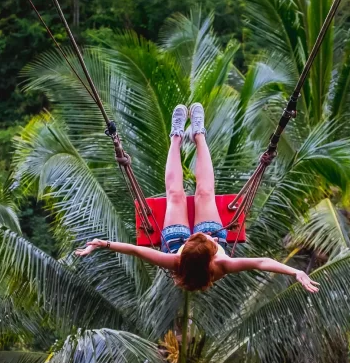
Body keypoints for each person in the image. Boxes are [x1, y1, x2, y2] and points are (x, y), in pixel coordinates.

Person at [75, 103, 320, 293]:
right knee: (205, 193)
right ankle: (199, 134)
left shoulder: (174, 259)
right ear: (213, 252)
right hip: (205, 241)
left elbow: (135, 251)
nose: (199, 233)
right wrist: (294, 272)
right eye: (203, 239)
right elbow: (262, 262)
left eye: (196, 237)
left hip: (173, 241)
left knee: (176, 196)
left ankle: (176, 137)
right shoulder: (223, 265)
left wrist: (101, 243)